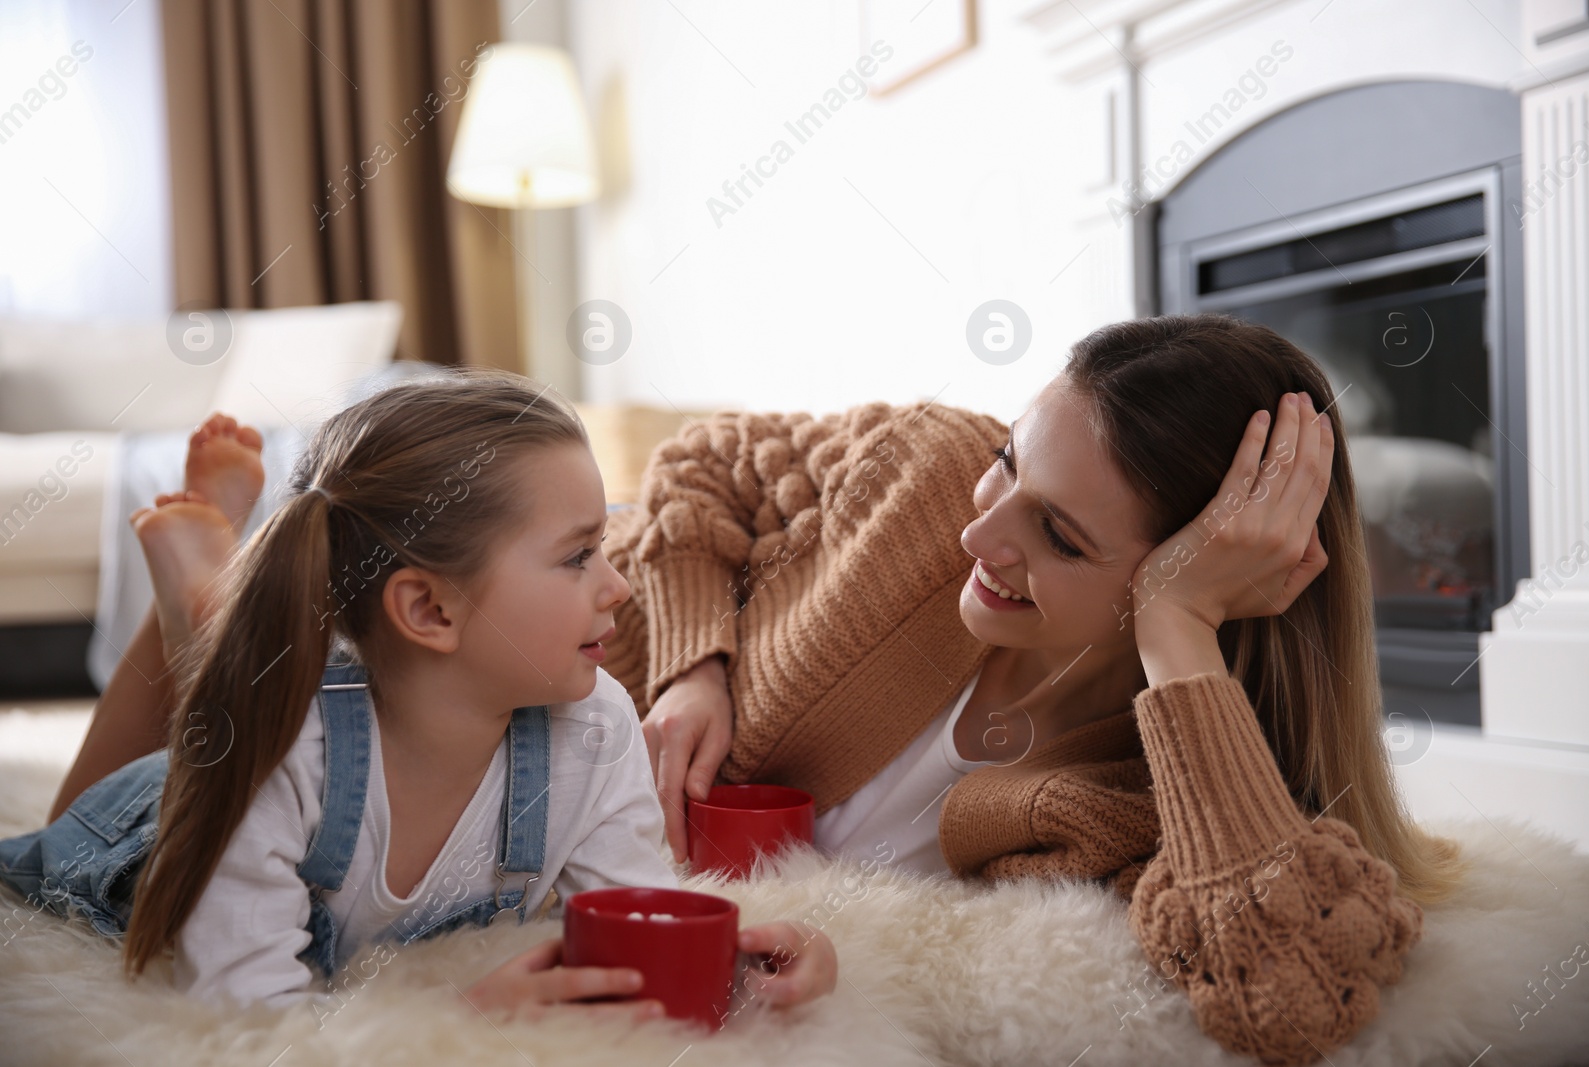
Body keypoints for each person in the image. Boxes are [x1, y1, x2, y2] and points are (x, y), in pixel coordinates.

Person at [605, 314, 1464, 1064]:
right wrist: (692, 668)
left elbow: (1289, 995)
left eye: (1057, 533)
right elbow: (702, 462)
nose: (980, 531)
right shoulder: (927, 471)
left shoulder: (1157, 785)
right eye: (1008, 461)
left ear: (1200, 577)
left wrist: (1176, 628)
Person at [3, 379, 835, 1021]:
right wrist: (453, 1020)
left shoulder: (596, 726)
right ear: (431, 611)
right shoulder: (291, 751)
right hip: (143, 828)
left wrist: (749, 952)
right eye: (579, 555)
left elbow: (638, 907)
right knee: (85, 820)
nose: (618, 587)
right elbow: (240, 1015)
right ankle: (194, 612)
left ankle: (210, 607)